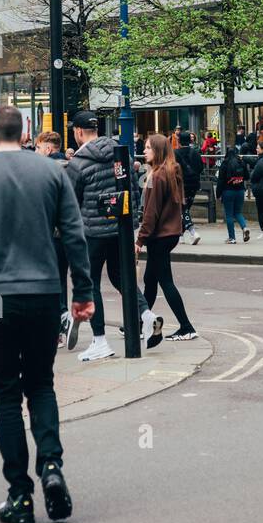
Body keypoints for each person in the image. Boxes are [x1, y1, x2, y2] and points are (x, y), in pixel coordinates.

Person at [0, 105, 93, 523]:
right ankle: (51, 466)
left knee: (7, 398)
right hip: (45, 294)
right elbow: (75, 234)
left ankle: (20, 495)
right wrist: (82, 293)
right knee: (42, 386)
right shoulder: (52, 173)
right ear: (25, 133)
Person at [66, 110, 162, 362]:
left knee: (89, 284)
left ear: (78, 132)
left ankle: (99, 341)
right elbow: (132, 190)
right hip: (119, 230)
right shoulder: (122, 154)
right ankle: (146, 316)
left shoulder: (78, 162)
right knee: (121, 277)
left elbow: (70, 202)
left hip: (92, 232)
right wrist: (131, 227)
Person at [137, 134, 197, 341]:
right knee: (150, 280)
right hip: (170, 232)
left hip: (159, 235)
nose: (144, 151)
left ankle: (186, 326)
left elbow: (150, 213)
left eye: (147, 148)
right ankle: (139, 322)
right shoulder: (171, 172)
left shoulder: (156, 177)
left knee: (165, 281)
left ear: (158, 151)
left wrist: (139, 240)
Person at [36, 132, 80, 352]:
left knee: (53, 282)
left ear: (47, 149)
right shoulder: (74, 167)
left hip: (51, 234)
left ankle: (60, 322)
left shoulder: (44, 171)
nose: (36, 153)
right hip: (73, 233)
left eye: (37, 148)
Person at [215, 145, 250, 244]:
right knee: (238, 212)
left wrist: (218, 194)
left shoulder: (225, 164)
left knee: (229, 215)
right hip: (240, 191)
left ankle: (232, 238)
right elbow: (247, 176)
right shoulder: (241, 162)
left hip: (228, 191)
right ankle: (244, 227)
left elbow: (220, 181)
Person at [174, 130, 203, 246]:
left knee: (182, 209)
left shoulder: (175, 153)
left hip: (181, 185)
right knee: (185, 208)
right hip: (194, 184)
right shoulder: (195, 153)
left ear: (179, 141)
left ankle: (193, 232)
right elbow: (201, 167)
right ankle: (180, 234)